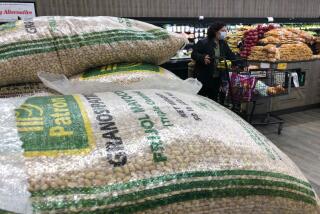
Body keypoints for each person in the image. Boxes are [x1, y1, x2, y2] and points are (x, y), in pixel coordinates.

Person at [191, 22, 238, 102]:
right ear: (215, 31)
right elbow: (194, 54)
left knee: (214, 100)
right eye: (223, 30)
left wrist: (241, 63)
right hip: (204, 77)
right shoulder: (203, 42)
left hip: (217, 78)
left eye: (225, 30)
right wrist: (202, 58)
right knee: (201, 100)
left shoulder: (223, 43)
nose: (225, 32)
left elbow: (230, 55)